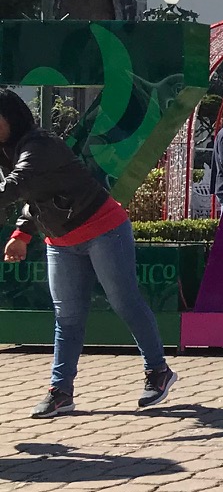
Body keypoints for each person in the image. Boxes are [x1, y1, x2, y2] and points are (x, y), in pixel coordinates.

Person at [0, 90, 178, 418]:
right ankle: (61, 392)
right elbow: (35, 197)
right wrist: (21, 234)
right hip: (61, 240)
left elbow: (18, 184)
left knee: (125, 302)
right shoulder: (7, 151)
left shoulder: (40, 145)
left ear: (10, 116)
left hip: (103, 229)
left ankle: (158, 371)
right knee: (67, 317)